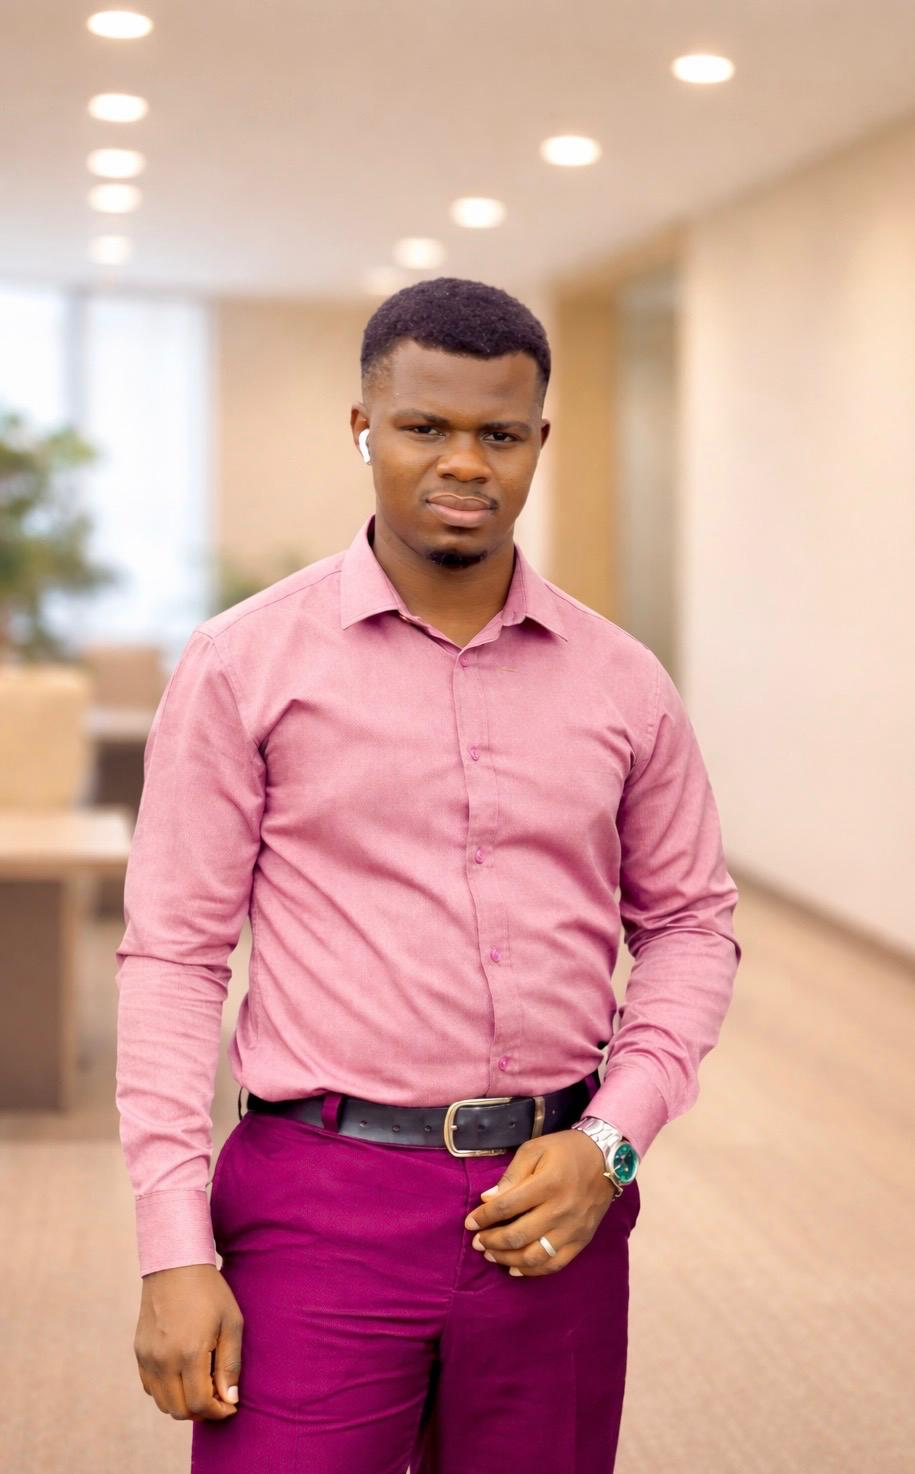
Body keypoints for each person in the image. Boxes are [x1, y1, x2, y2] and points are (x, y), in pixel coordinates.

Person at [115, 275, 741, 1473]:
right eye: (424, 426)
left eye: (499, 434)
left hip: (557, 1202)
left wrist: (612, 1143)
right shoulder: (244, 663)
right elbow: (175, 958)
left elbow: (693, 926)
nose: (465, 462)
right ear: (364, 429)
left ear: (538, 444)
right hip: (318, 1199)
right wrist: (170, 1244)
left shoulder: (622, 681)